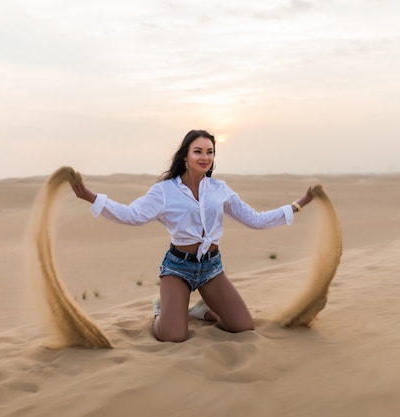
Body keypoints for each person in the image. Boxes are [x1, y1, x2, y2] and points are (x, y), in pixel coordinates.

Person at [71, 129, 314, 342]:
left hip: (211, 268)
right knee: (173, 336)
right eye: (198, 151)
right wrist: (90, 196)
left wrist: (298, 205)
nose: (205, 157)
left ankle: (202, 311)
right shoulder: (164, 191)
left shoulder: (220, 190)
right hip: (178, 268)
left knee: (242, 327)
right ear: (185, 156)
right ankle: (161, 311)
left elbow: (255, 220)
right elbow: (131, 215)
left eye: (210, 152)